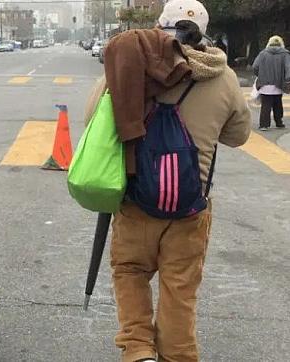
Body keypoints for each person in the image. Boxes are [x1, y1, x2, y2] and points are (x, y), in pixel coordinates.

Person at [86, 1, 251, 361]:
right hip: (190, 207)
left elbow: (93, 117)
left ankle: (138, 349)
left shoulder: (131, 63)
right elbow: (239, 135)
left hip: (135, 199)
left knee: (130, 271)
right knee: (180, 290)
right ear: (203, 34)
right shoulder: (221, 76)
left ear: (159, 26)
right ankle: (177, 356)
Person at [253, 35, 290, 130]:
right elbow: (288, 68)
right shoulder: (285, 54)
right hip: (278, 83)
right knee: (278, 103)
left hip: (265, 83)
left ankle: (264, 125)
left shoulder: (262, 54)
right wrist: (287, 79)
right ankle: (279, 122)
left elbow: (255, 66)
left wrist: (260, 75)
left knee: (266, 105)